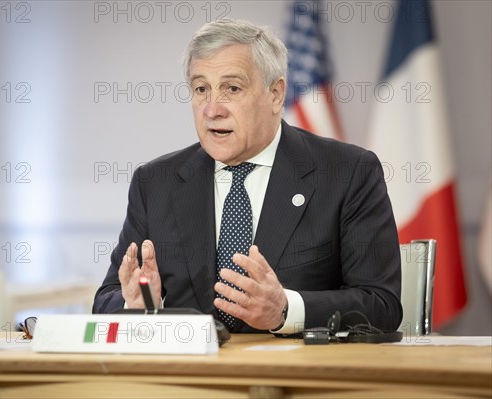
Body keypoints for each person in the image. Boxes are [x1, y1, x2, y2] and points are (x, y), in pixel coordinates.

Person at [93, 19, 402, 334]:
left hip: (298, 376)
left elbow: (382, 304)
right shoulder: (155, 182)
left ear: (276, 95)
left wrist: (285, 310)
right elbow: (106, 298)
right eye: (201, 89)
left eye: (232, 88)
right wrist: (139, 306)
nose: (212, 109)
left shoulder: (348, 174)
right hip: (185, 377)